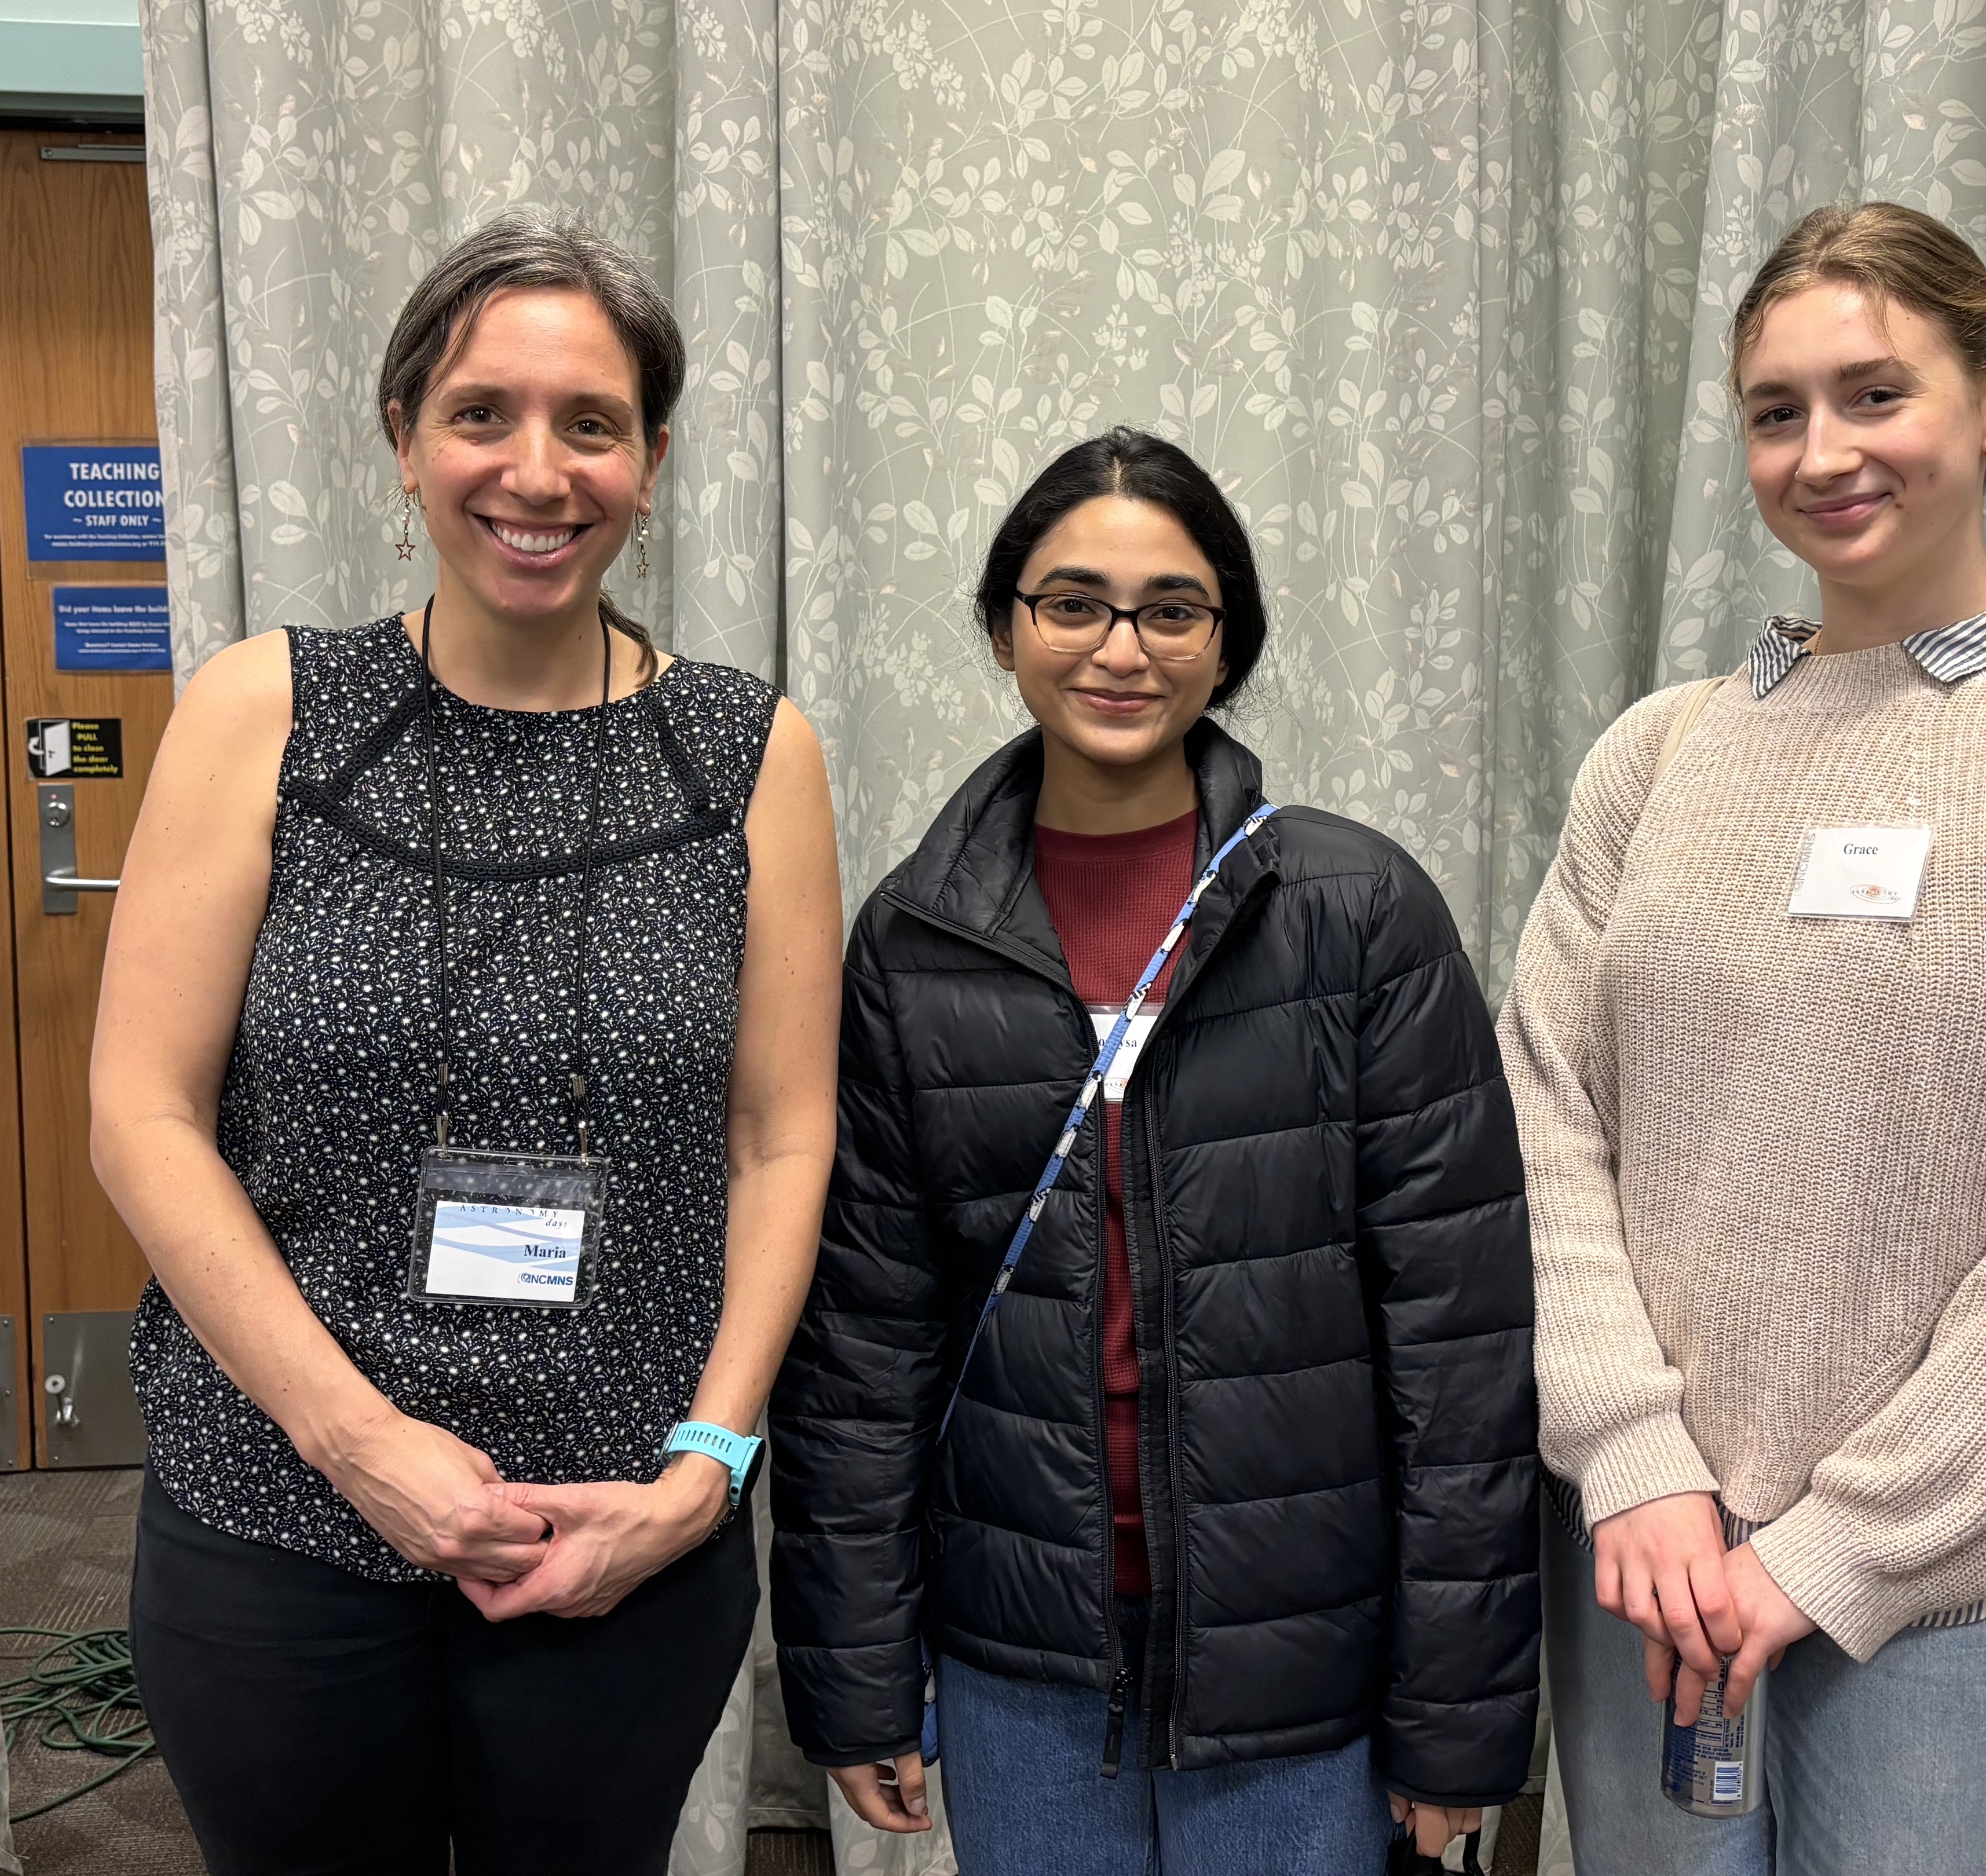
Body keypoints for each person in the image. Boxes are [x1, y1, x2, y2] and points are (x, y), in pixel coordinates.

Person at [1501, 199, 1986, 1874]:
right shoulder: (1653, 760)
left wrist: (1840, 1547)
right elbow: (1546, 1118)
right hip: (1652, 1555)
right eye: (1778, 412)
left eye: (1874, 394)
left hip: (1957, 1591)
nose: (1823, 451)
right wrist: (1633, 1459)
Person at [94, 213, 841, 1874]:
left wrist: (708, 1467)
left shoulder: (747, 754)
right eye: (482, 413)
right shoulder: (265, 712)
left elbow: (783, 1140)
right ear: (403, 437)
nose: (536, 470)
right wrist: (359, 1444)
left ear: (652, 461)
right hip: (277, 1511)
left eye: (592, 424)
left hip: (618, 1536)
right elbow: (143, 1111)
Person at [765, 427, 1541, 1872]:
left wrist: (1455, 1714)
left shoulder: (1355, 912)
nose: (1121, 648)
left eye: (1171, 609)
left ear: (1226, 639)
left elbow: (1463, 1351)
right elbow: (867, 1349)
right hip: (1020, 1662)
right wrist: (859, 1667)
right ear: (1006, 627)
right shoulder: (914, 939)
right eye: (1072, 603)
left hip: (1303, 1665)